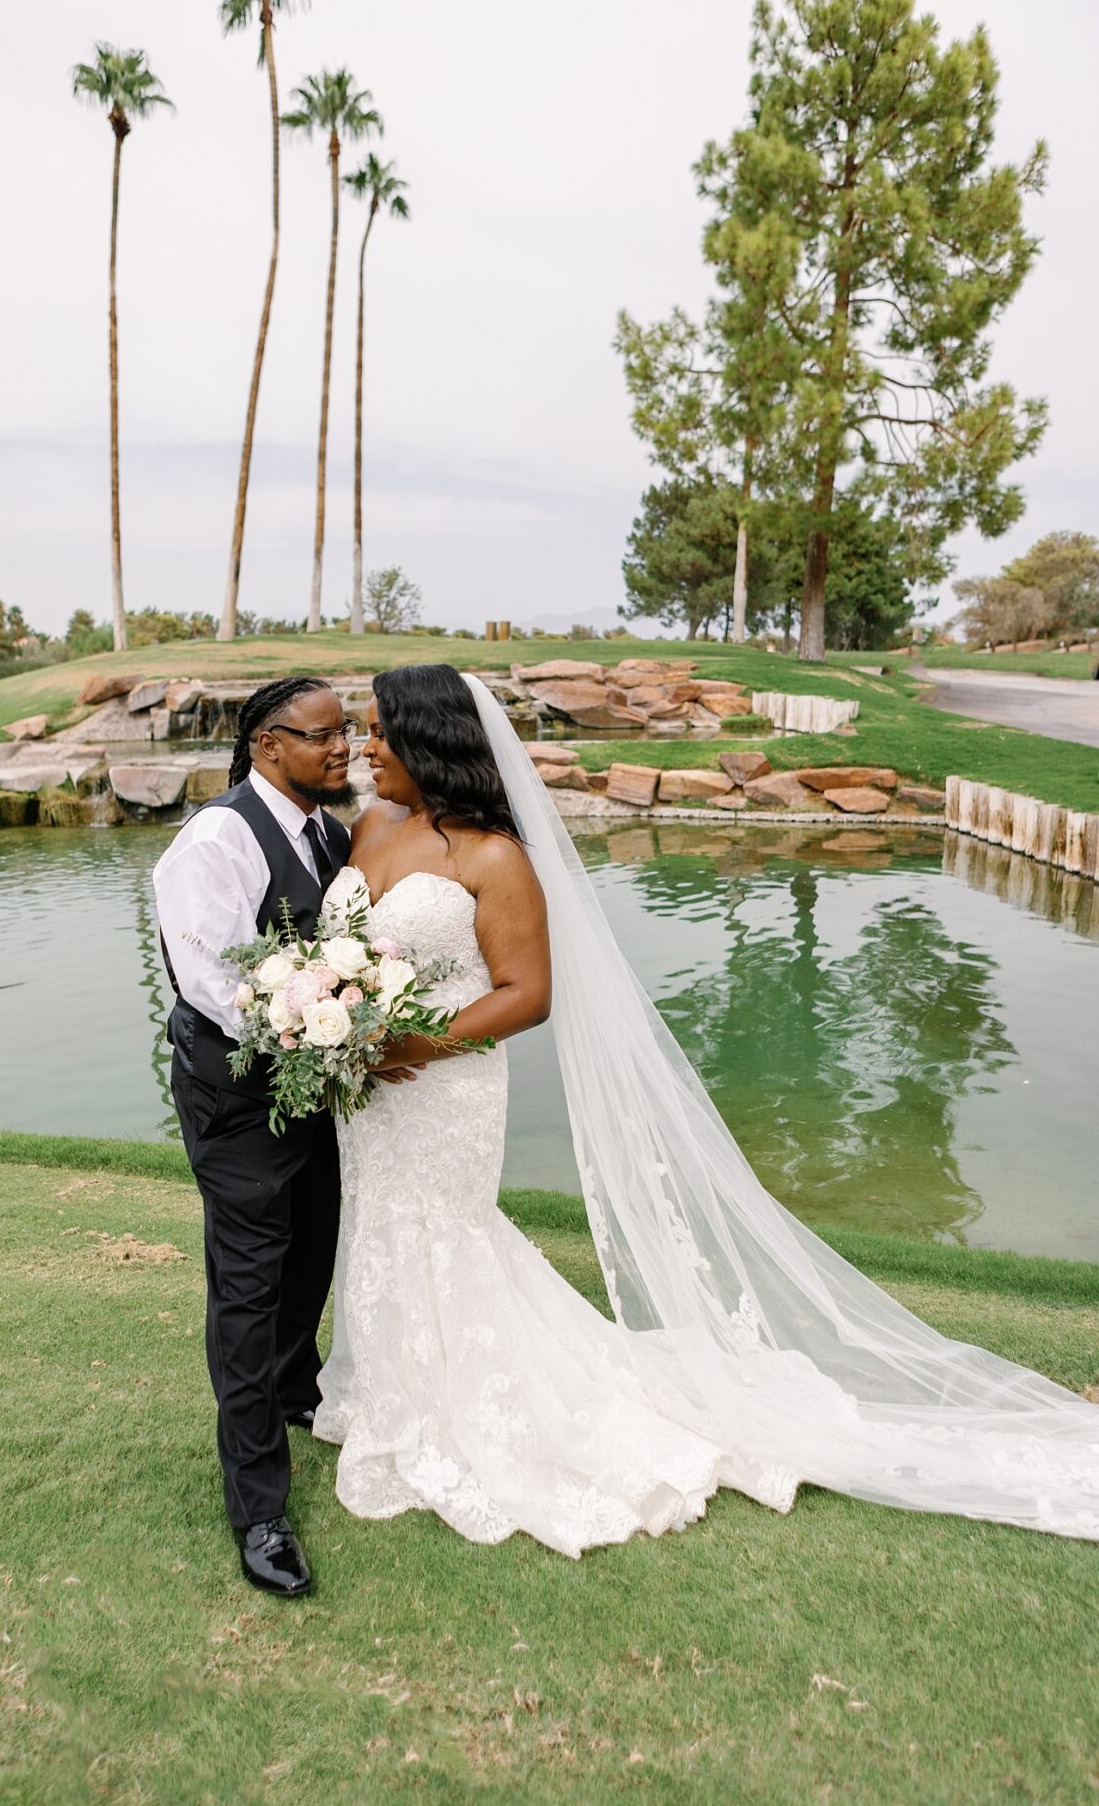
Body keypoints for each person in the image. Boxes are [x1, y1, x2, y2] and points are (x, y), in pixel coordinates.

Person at [310, 662, 1099, 1554]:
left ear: (429, 739)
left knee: (444, 1229)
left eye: (379, 732)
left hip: (443, 1083)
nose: (363, 747)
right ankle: (391, 1389)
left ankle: (463, 1405)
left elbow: (527, 993)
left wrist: (413, 1043)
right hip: (369, 1086)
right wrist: (330, 1017)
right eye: (362, 731)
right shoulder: (369, 826)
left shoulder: (494, 856)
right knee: (379, 1222)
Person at [150, 675, 356, 1597]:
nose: (342, 748)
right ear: (270, 744)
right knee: (249, 1282)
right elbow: (213, 981)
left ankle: (294, 1387)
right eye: (323, 736)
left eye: (345, 731)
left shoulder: (331, 831)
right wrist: (306, 1017)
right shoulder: (218, 839)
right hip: (239, 1097)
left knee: (313, 1246)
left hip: (314, 1086)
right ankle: (260, 1507)